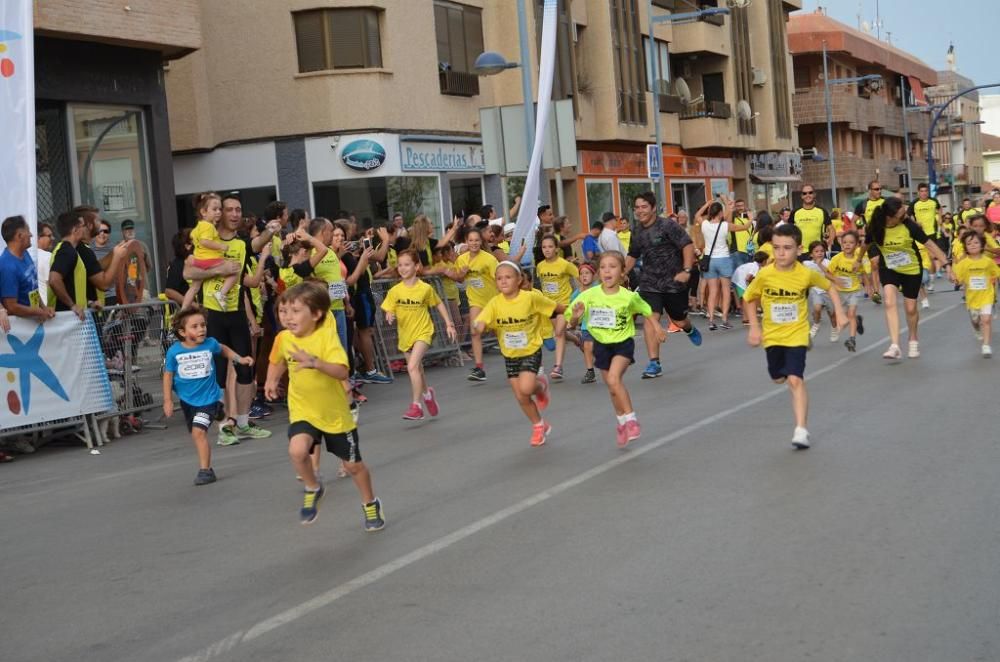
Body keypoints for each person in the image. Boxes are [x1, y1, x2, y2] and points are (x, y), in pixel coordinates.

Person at [264, 281, 385, 530]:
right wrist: (271, 379)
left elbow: (342, 371)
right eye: (284, 311)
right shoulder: (284, 338)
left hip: (334, 414)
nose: (288, 317)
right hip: (303, 409)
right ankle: (313, 486)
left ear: (316, 314)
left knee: (353, 466)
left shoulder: (326, 337)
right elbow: (277, 360)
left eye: (295, 311)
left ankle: (370, 503)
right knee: (297, 451)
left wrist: (315, 363)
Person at [183, 194, 277, 445]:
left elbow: (258, 244)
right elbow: (188, 271)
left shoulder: (241, 243)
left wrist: (270, 230)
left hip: (235, 313)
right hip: (212, 315)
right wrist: (218, 269)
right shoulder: (206, 239)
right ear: (217, 213)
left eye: (239, 210)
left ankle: (243, 422)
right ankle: (225, 425)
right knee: (219, 371)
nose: (235, 214)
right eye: (229, 210)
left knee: (246, 367)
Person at [743, 224, 846, 449]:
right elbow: (749, 298)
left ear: (799, 249)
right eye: (776, 247)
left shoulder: (806, 273)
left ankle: (801, 429)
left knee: (795, 379)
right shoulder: (765, 275)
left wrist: (839, 312)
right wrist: (754, 327)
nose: (781, 253)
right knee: (778, 378)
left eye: (787, 248)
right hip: (772, 335)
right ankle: (783, 372)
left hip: (797, 332)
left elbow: (829, 287)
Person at [567, 251, 665, 447]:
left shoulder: (628, 297)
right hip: (601, 344)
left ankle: (631, 420)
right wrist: (576, 316)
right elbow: (571, 321)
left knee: (613, 379)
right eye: (603, 267)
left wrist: (657, 327)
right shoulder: (588, 295)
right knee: (612, 388)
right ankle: (621, 423)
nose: (607, 271)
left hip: (622, 343)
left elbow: (646, 310)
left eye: (612, 266)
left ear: (622, 272)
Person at [163, 306, 253, 485]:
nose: (201, 329)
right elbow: (168, 376)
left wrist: (240, 359)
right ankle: (219, 411)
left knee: (198, 433)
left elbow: (224, 349)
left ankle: (206, 470)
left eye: (203, 325)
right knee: (195, 430)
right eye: (194, 326)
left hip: (209, 398)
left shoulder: (210, 344)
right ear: (182, 332)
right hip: (188, 400)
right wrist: (167, 400)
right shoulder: (174, 352)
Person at [474, 261, 559, 446]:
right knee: (521, 396)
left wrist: (573, 312)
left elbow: (555, 307)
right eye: (499, 278)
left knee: (527, 388)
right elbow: (482, 320)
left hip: (530, 350)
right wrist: (479, 326)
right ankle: (539, 426)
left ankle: (541, 386)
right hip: (510, 354)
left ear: (519, 279)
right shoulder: (495, 303)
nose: (503, 281)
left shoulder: (530, 298)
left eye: (508, 277)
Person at [856, 196, 948, 360]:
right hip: (889, 268)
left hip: (911, 269)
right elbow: (866, 244)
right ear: (889, 217)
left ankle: (913, 339)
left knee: (911, 309)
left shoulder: (909, 225)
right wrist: (858, 260)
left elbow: (930, 245)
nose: (905, 217)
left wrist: (947, 265)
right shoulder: (876, 226)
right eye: (901, 215)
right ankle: (895, 345)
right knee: (890, 302)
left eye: (904, 213)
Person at [625, 191, 701, 379]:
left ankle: (689, 328)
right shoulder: (636, 231)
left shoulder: (668, 225)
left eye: (644, 207)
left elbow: (687, 245)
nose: (640, 211)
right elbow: (633, 255)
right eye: (637, 208)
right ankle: (654, 362)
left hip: (674, 283)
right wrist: (621, 273)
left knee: (679, 320)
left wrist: (686, 270)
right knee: (651, 319)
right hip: (649, 283)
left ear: (652, 208)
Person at [382, 250, 457, 420]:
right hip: (405, 334)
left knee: (412, 367)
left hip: (423, 331)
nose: (402, 268)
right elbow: (388, 306)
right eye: (400, 265)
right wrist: (389, 313)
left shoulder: (425, 288)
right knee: (418, 370)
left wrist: (449, 324)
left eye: (407, 264)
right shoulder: (395, 291)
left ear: (416, 267)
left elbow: (438, 304)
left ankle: (416, 406)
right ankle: (427, 394)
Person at [693, 198, 750, 331]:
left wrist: (706, 204)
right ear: (719, 213)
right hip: (724, 259)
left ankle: (711, 319)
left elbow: (696, 216)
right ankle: (724, 319)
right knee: (725, 291)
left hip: (710, 260)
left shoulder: (705, 224)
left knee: (713, 291)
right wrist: (750, 218)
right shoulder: (725, 225)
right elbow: (744, 227)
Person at [454, 228, 499, 381]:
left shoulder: (489, 259)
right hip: (476, 301)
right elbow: (459, 279)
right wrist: (463, 273)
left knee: (501, 334)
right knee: (475, 332)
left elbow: (499, 280)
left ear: (481, 242)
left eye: (476, 240)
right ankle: (479, 368)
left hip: (493, 301)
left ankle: (517, 360)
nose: (473, 243)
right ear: (466, 242)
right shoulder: (461, 259)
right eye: (471, 240)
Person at [182, 193, 239, 310]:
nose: (218, 212)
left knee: (194, 287)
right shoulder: (208, 226)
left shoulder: (198, 226)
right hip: (210, 260)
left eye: (219, 209)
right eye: (214, 209)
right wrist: (221, 246)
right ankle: (221, 293)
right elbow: (205, 242)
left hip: (199, 261)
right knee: (235, 270)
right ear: (203, 212)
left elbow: (196, 239)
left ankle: (183, 309)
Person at [536, 234, 579, 381]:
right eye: (544, 247)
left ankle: (558, 366)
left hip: (564, 303)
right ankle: (576, 339)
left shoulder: (564, 264)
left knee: (559, 333)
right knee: (559, 332)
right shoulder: (540, 266)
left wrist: (580, 295)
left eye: (550, 247)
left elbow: (580, 276)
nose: (547, 250)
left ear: (556, 249)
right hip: (550, 306)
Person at [950, 232, 999, 357]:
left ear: (982, 245)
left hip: (987, 295)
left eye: (976, 242)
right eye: (969, 243)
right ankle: (976, 328)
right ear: (965, 247)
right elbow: (958, 279)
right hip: (972, 297)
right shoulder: (963, 264)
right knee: (975, 320)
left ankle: (986, 345)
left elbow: (996, 273)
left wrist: (993, 279)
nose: (973, 245)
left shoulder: (988, 261)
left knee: (986, 320)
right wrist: (954, 278)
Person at [0, 215, 54, 322]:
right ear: (19, 236)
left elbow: (33, 287)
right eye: (28, 231)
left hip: (33, 322)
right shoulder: (7, 266)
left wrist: (43, 307)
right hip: (19, 329)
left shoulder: (25, 254)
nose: (31, 234)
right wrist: (38, 312)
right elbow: (11, 306)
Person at [827, 230, 868, 352]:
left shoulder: (858, 260)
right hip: (839, 293)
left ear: (856, 245)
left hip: (854, 291)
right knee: (839, 316)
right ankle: (857, 320)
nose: (847, 245)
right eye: (844, 242)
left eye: (851, 243)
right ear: (841, 244)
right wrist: (836, 279)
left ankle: (852, 339)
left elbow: (863, 274)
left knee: (850, 314)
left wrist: (869, 288)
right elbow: (827, 274)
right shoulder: (836, 259)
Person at [569, 261, 598, 383]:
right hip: (587, 325)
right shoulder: (576, 294)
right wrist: (573, 321)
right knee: (587, 346)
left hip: (602, 324)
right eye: (581, 274)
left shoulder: (599, 289)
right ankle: (590, 371)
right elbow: (572, 312)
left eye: (587, 273)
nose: (584, 276)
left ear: (593, 275)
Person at [803, 241, 838, 342]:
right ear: (811, 254)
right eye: (816, 251)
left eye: (822, 251)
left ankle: (834, 328)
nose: (819, 253)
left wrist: (819, 264)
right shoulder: (806, 264)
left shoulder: (828, 263)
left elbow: (831, 274)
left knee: (832, 314)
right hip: (816, 290)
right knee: (817, 309)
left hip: (828, 291)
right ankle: (816, 324)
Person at [911, 183, 943, 281]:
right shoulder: (914, 203)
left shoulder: (933, 201)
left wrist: (940, 217)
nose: (924, 193)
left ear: (928, 192)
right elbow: (909, 215)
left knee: (932, 257)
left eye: (925, 191)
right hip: (919, 233)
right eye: (922, 191)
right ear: (918, 192)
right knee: (921, 256)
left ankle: (931, 278)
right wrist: (916, 223)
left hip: (931, 232)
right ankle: (925, 275)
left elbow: (940, 208)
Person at [792, 185, 831, 260]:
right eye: (804, 193)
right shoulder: (795, 212)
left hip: (817, 253)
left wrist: (828, 244)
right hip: (800, 253)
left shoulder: (822, 211)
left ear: (814, 194)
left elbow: (831, 230)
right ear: (801, 196)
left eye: (810, 192)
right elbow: (789, 231)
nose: (807, 195)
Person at [732, 251, 768, 326]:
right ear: (764, 261)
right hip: (740, 281)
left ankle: (746, 318)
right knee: (746, 300)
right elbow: (748, 278)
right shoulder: (755, 267)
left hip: (736, 279)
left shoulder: (752, 264)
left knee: (744, 300)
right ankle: (746, 319)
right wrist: (750, 288)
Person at [163, 229, 193, 307]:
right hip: (186, 313)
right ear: (187, 246)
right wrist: (192, 304)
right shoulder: (178, 265)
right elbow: (169, 291)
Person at [729, 199, 754, 267]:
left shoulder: (749, 218)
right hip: (737, 251)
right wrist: (730, 208)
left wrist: (751, 218)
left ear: (744, 206)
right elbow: (728, 221)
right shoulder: (733, 217)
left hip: (749, 250)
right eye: (738, 206)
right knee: (740, 274)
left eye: (742, 206)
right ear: (735, 207)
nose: (740, 208)